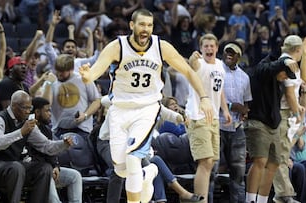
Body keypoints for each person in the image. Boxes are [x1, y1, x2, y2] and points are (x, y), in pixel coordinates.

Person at [79, 8, 213, 203]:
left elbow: (188, 71)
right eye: (142, 25)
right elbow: (95, 72)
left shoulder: (161, 47)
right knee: (121, 169)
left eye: (149, 25)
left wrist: (204, 97)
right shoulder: (118, 47)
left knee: (134, 159)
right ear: (132, 26)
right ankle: (149, 172)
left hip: (147, 110)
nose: (146, 29)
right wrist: (86, 76)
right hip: (119, 110)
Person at [0, 90, 73, 203]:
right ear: (14, 106)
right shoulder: (0, 118)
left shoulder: (27, 122)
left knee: (45, 168)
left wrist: (63, 144)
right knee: (17, 168)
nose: (28, 112)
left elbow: (46, 146)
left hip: (15, 165)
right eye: (25, 108)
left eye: (30, 108)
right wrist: (21, 132)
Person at [244, 41, 300, 203]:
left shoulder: (277, 82)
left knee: (274, 163)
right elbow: (269, 67)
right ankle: (250, 200)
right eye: (284, 74)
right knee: (260, 160)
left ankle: (262, 200)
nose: (284, 78)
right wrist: (284, 61)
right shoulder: (263, 69)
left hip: (273, 124)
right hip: (258, 122)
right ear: (279, 67)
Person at [185, 33, 232, 203]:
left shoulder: (220, 65)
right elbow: (192, 65)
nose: (209, 49)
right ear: (201, 48)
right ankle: (201, 200)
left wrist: (225, 110)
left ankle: (201, 199)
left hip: (213, 118)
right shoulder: (199, 63)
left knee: (210, 162)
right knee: (204, 161)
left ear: (217, 48)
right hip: (197, 116)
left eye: (212, 46)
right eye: (205, 46)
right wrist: (192, 59)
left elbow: (220, 91)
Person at [30, 97, 83, 203]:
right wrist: (50, 168)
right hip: (37, 172)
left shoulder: (46, 130)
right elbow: (46, 148)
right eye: (47, 110)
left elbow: (52, 153)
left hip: (49, 170)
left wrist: (55, 166)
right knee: (48, 180)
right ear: (37, 112)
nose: (50, 113)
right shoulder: (29, 128)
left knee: (75, 176)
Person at [273, 35, 305, 203]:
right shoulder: (288, 63)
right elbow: (289, 92)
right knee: (281, 155)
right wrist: (297, 111)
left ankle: (283, 195)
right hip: (283, 111)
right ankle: (284, 195)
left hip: (284, 112)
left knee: (283, 154)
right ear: (297, 50)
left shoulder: (285, 60)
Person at [219, 41, 252, 203]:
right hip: (217, 125)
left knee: (238, 174)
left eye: (233, 52)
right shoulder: (216, 71)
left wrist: (244, 112)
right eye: (227, 52)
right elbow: (209, 98)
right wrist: (232, 106)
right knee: (211, 171)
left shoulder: (245, 77)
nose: (229, 54)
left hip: (237, 128)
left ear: (239, 56)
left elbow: (246, 103)